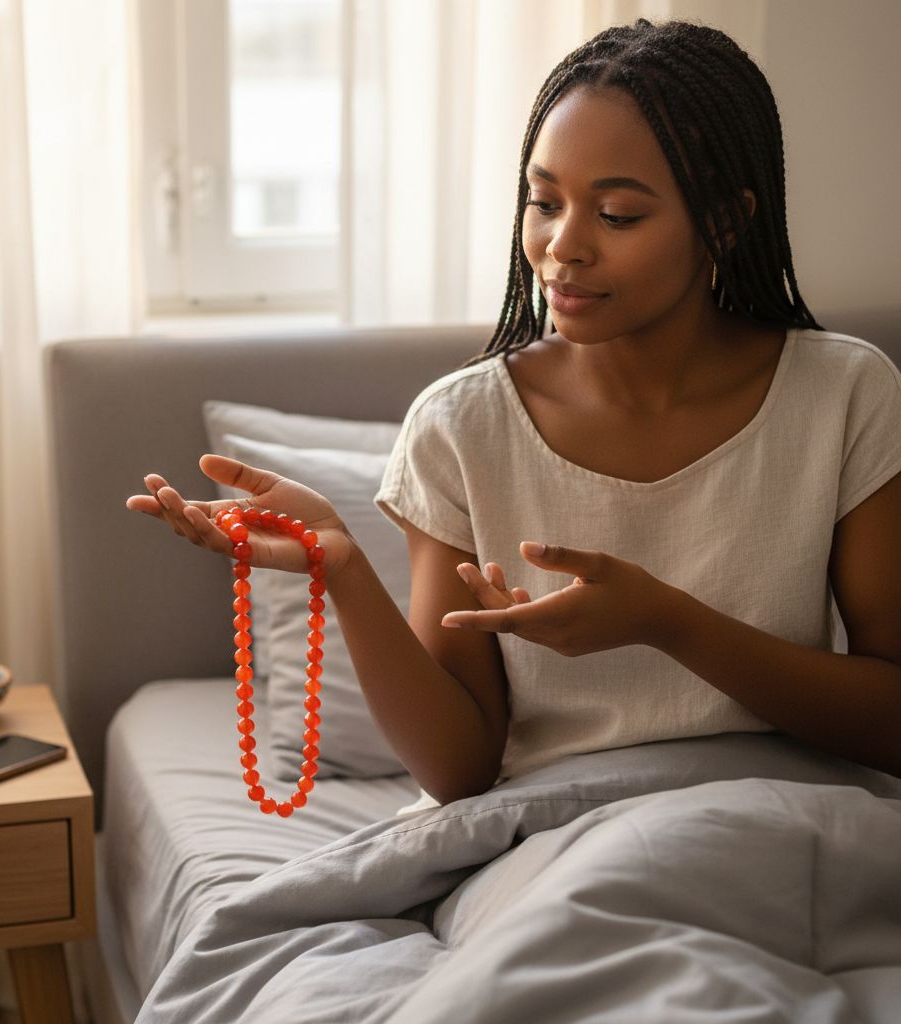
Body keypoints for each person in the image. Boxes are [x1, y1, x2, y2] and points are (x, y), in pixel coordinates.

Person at [127, 19, 901, 809]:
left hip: (789, 821)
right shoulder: (460, 427)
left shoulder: (845, 395)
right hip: (560, 836)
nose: (563, 245)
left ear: (726, 222)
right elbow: (458, 771)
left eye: (617, 214)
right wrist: (344, 568)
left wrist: (666, 622)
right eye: (544, 201)